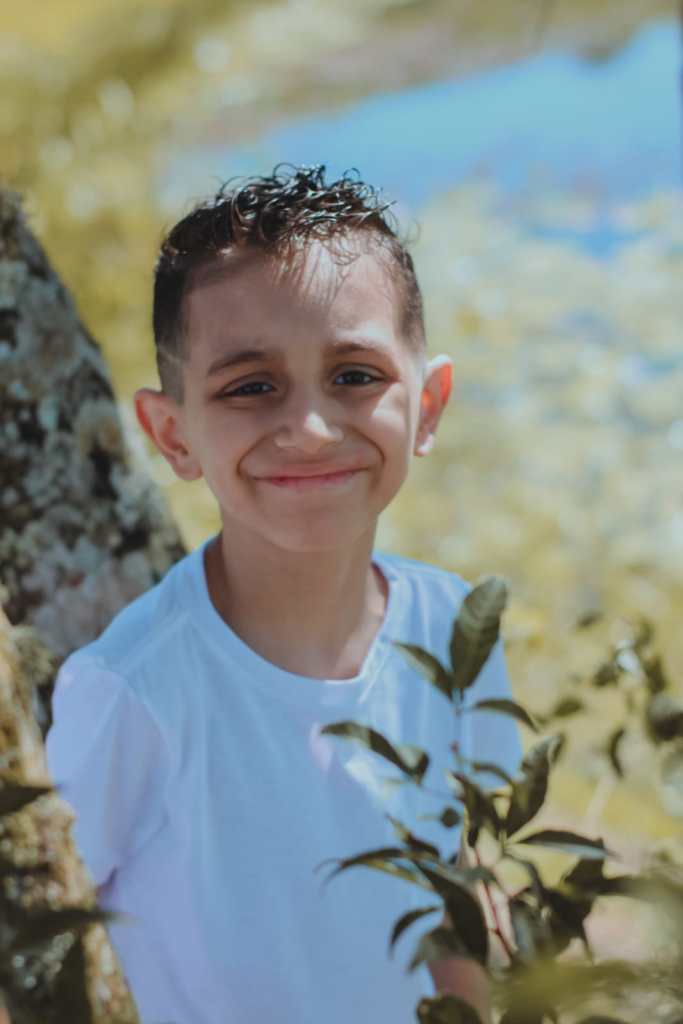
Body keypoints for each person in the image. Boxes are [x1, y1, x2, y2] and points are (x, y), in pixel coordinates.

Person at [45, 164, 521, 1024]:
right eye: (250, 386)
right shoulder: (131, 692)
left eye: (355, 375)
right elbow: (33, 949)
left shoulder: (456, 629)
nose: (308, 429)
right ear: (172, 434)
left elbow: (464, 882)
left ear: (427, 406)